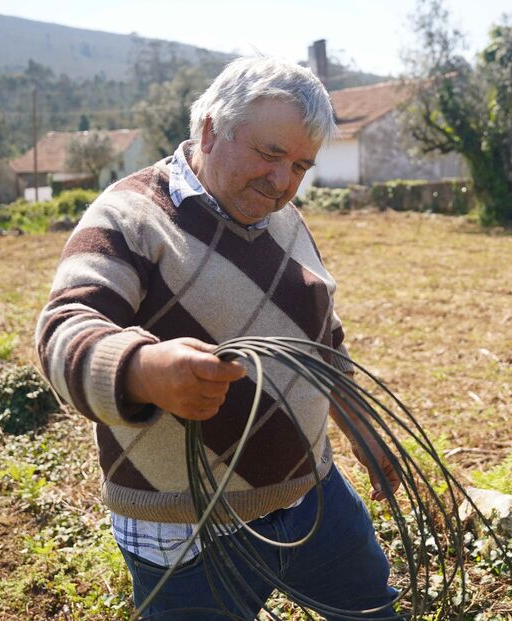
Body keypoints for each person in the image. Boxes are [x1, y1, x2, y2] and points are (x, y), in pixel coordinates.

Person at [35, 56, 401, 620]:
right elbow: (63, 332)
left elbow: (323, 337)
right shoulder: (130, 216)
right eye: (270, 153)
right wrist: (144, 369)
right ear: (209, 129)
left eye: (301, 165)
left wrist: (358, 425)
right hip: (187, 533)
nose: (282, 182)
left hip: (311, 494)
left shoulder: (286, 219)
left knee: (372, 610)